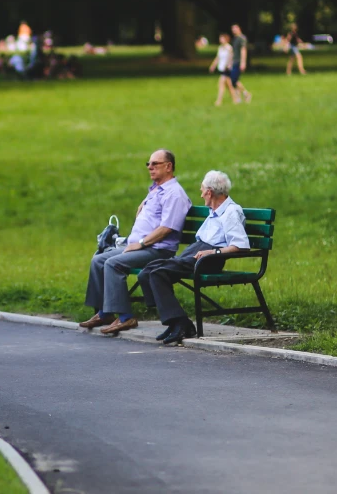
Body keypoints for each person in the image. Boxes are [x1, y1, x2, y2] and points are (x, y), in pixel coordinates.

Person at [80, 149, 192, 335]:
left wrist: (141, 243)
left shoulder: (174, 194)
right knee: (98, 260)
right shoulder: (156, 190)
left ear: (168, 166)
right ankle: (105, 312)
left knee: (113, 264)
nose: (150, 167)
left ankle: (126, 317)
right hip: (141, 246)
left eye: (155, 164)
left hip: (157, 250)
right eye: (148, 164)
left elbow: (167, 228)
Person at [137, 170, 250, 344]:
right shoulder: (215, 210)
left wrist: (213, 252)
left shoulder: (231, 212)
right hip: (197, 252)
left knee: (159, 273)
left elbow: (241, 245)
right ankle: (174, 322)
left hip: (209, 259)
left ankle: (181, 323)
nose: (201, 193)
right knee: (147, 271)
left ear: (209, 192)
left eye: (202, 190)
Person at [208, 33, 236, 106]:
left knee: (221, 84)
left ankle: (219, 101)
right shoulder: (220, 48)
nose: (220, 40)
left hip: (226, 69)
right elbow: (218, 58)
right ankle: (235, 99)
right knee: (229, 85)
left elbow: (231, 57)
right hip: (221, 68)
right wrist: (213, 65)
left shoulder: (229, 47)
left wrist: (228, 64)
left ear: (226, 39)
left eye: (222, 38)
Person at [230, 25, 252, 103]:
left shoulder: (242, 38)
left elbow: (243, 50)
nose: (233, 30)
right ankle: (238, 98)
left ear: (239, 28)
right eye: (232, 29)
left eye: (235, 29)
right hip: (234, 61)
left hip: (238, 62)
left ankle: (246, 93)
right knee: (236, 80)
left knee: (233, 80)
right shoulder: (235, 39)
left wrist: (243, 62)